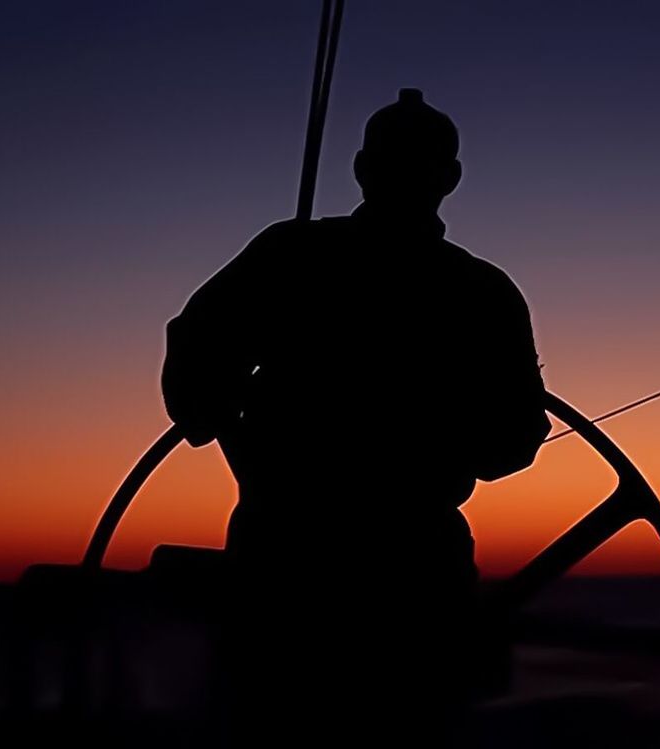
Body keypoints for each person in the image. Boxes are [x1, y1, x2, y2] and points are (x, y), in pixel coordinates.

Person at [160, 88, 551, 745]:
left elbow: (195, 364)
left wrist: (236, 434)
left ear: (362, 169)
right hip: (416, 584)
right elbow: (512, 438)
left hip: (281, 570)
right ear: (450, 178)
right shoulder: (483, 293)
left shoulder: (290, 254)